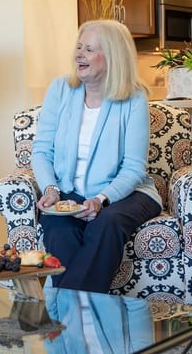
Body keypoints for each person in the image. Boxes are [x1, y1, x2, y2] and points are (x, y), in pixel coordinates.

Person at [32, 19, 163, 293]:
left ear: (112, 56)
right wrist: (51, 188)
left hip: (126, 193)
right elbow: (42, 150)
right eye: (79, 47)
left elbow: (133, 167)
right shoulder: (60, 90)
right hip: (69, 192)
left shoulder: (134, 98)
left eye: (89, 49)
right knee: (58, 226)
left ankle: (68, 315)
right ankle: (88, 323)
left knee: (106, 223)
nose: (79, 54)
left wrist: (101, 199)